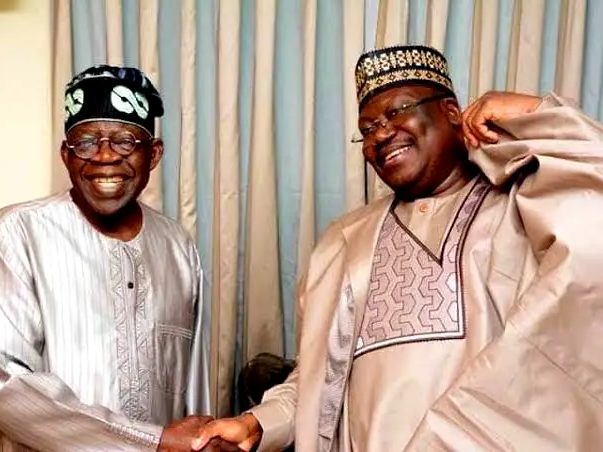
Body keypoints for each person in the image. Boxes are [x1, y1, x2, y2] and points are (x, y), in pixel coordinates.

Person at [192, 45, 603, 451]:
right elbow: (316, 380)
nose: (381, 134)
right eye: (367, 128)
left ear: (452, 112)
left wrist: (537, 115)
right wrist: (258, 423)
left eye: (397, 111)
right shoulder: (343, 243)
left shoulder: (520, 204)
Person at [0, 65, 222, 451]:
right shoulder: (16, 233)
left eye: (125, 141)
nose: (104, 156)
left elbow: (194, 387)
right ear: (65, 155)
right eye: (85, 142)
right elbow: (8, 387)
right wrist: (152, 441)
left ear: (154, 154)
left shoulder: (178, 247)